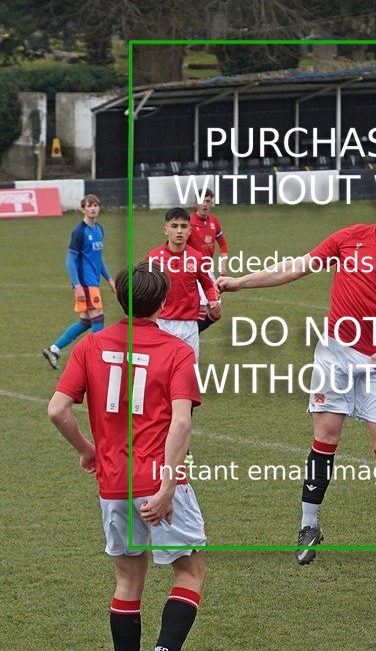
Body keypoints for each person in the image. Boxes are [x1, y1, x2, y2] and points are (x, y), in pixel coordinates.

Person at [214, 196, 376, 571]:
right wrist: (240, 283)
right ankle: (308, 525)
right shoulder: (349, 237)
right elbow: (297, 267)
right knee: (325, 438)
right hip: (334, 354)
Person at [48, 261, 207, 651]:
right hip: (160, 482)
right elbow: (181, 422)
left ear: (119, 298)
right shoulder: (178, 351)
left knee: (127, 581)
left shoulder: (89, 346)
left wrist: (88, 451)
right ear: (164, 302)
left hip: (114, 483)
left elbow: (57, 410)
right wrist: (167, 487)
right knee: (190, 573)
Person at [42, 194, 116, 369]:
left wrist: (109, 279)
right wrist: (77, 286)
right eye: (89, 206)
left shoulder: (99, 229)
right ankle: (96, 358)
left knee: (86, 321)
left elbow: (98, 258)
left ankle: (54, 349)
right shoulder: (79, 232)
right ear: (83, 209)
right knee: (98, 317)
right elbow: (70, 261)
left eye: (95, 205)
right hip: (85, 283)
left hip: (93, 282)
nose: (93, 208)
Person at [147, 207, 220, 361]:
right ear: (166, 230)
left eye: (183, 226)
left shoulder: (197, 258)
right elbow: (145, 288)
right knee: (161, 369)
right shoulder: (153, 258)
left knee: (189, 371)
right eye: (174, 226)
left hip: (189, 326)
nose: (179, 231)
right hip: (161, 323)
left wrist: (213, 299)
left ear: (189, 231)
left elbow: (207, 285)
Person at [188, 190, 229, 333]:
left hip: (207, 271)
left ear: (211, 203)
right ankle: (190, 338)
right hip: (193, 271)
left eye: (208, 201)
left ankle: (192, 334)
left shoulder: (213, 221)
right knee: (201, 308)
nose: (205, 205)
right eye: (202, 201)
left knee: (216, 312)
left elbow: (223, 245)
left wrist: (223, 264)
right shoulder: (188, 223)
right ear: (195, 203)